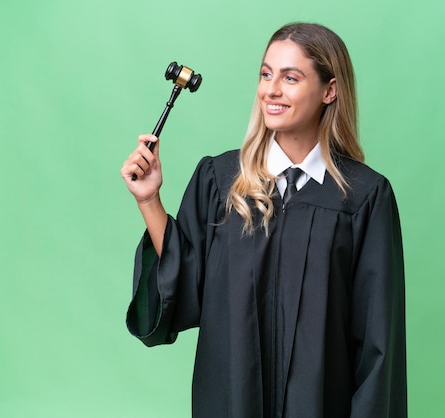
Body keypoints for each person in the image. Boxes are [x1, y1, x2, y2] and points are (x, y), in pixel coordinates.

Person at [121, 22, 406, 418]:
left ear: (330, 90)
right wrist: (150, 200)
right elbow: (184, 290)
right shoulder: (220, 181)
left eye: (291, 78)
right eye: (266, 74)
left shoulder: (363, 197)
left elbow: (378, 344)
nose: (271, 90)